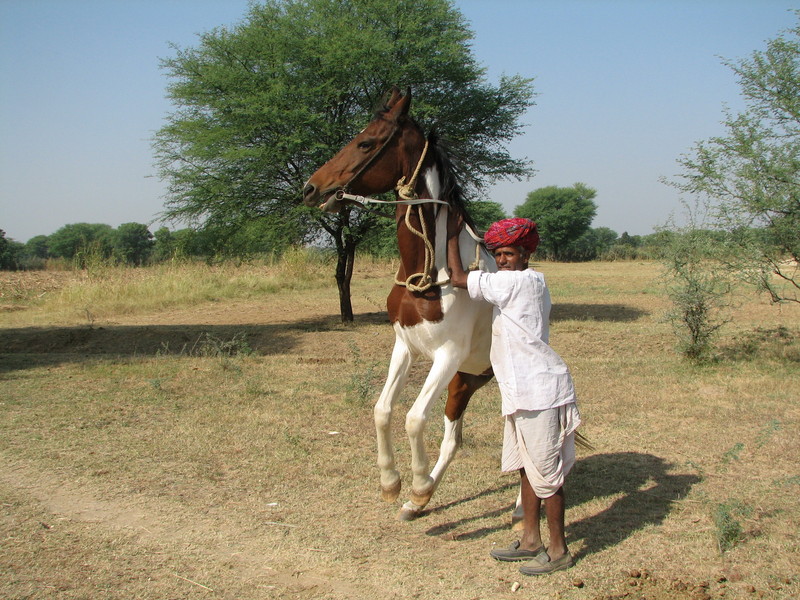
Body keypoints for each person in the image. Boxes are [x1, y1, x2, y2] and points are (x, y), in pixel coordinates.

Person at [447, 216, 581, 576]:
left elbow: (458, 279)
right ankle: (530, 541)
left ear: (524, 253)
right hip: (522, 391)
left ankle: (558, 550)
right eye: (497, 254)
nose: (501, 260)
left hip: (537, 393)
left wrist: (450, 238)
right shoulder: (533, 280)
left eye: (507, 253)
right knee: (527, 468)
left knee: (547, 477)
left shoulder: (515, 282)